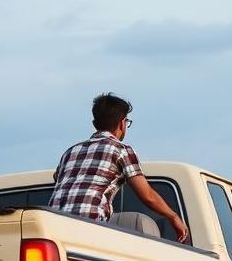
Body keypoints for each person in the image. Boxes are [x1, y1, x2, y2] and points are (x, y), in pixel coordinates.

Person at [49, 93, 190, 242]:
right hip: (90, 226)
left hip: (53, 226)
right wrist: (173, 216)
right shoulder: (121, 150)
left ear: (94, 124)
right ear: (122, 123)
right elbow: (147, 195)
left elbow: (57, 178)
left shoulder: (70, 152)